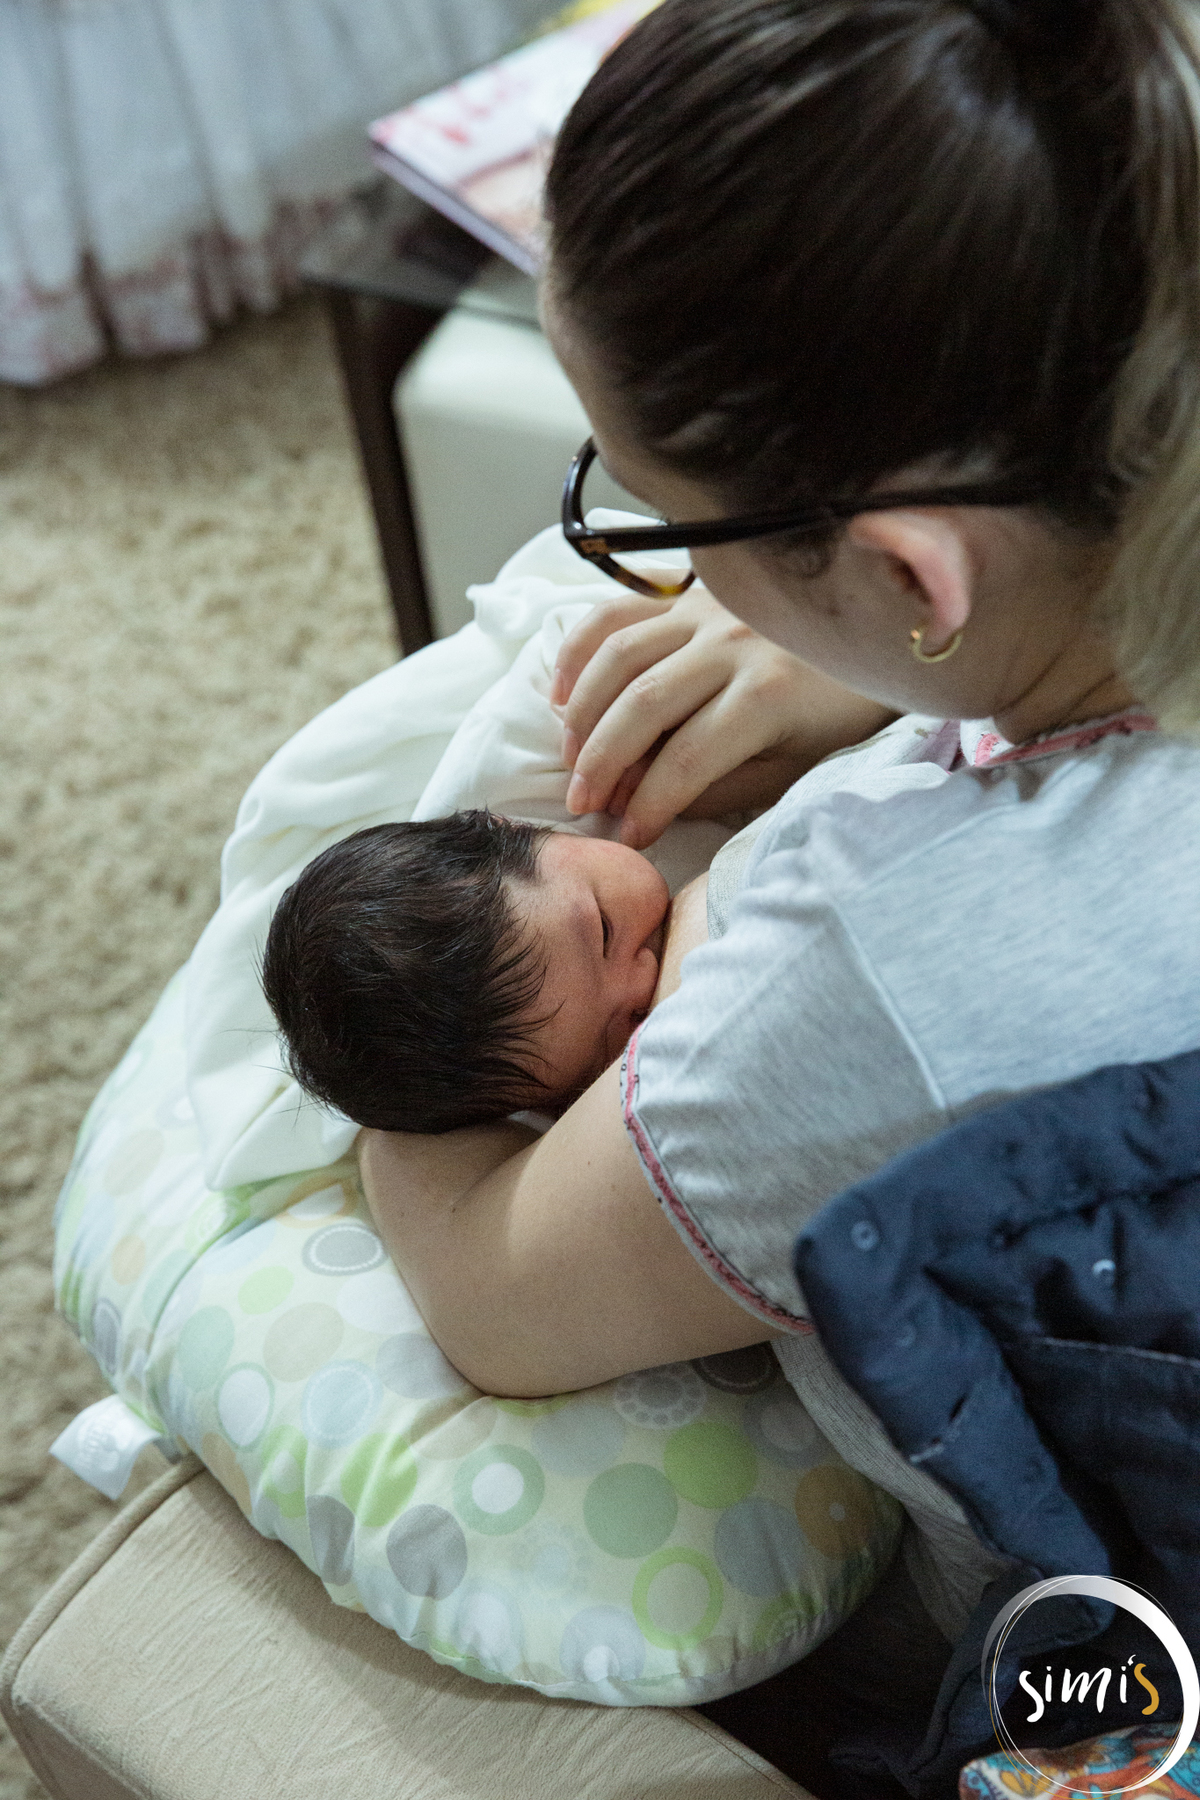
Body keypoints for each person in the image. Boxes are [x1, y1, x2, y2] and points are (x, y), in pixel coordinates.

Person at [355, 0, 1200, 1783]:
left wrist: (394, 1053)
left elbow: (495, 1297)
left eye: (663, 527)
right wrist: (894, 669)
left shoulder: (866, 965)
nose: (683, 591)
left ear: (911, 564)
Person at [260, 808, 673, 1132]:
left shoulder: (554, 772)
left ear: (511, 826)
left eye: (604, 932)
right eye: (605, 1045)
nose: (643, 984)